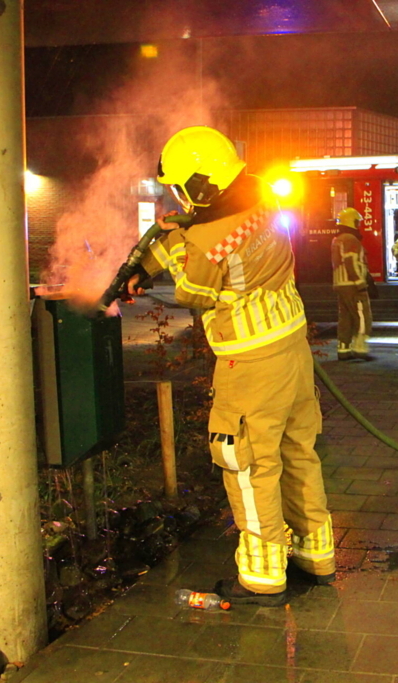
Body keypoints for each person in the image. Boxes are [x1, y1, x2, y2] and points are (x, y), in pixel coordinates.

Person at [128, 126, 335, 606]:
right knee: (297, 450)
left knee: (246, 461)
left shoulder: (203, 241)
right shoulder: (265, 202)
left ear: (201, 186)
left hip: (251, 362)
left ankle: (262, 577)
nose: (179, 197)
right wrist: (168, 241)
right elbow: (200, 233)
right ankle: (314, 553)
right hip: (292, 350)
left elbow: (193, 292)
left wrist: (166, 253)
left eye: (182, 188)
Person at [331, 207, 373, 360]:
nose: (359, 225)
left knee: (345, 318)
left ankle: (344, 349)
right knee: (362, 315)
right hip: (352, 285)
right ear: (352, 222)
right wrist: (360, 282)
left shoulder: (337, 239)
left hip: (340, 284)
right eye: (357, 222)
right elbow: (351, 261)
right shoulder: (350, 239)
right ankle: (360, 348)